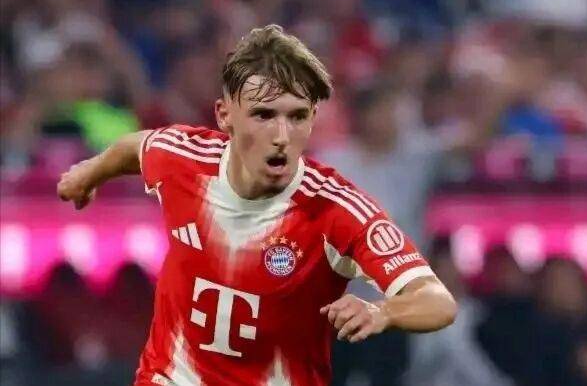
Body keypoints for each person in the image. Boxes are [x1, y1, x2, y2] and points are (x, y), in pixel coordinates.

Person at [57, 24, 457, 386]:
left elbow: (436, 301)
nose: (281, 135)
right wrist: (87, 174)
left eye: (297, 117)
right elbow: (137, 147)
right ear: (225, 115)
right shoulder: (186, 160)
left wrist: (383, 312)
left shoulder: (335, 209)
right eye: (264, 115)